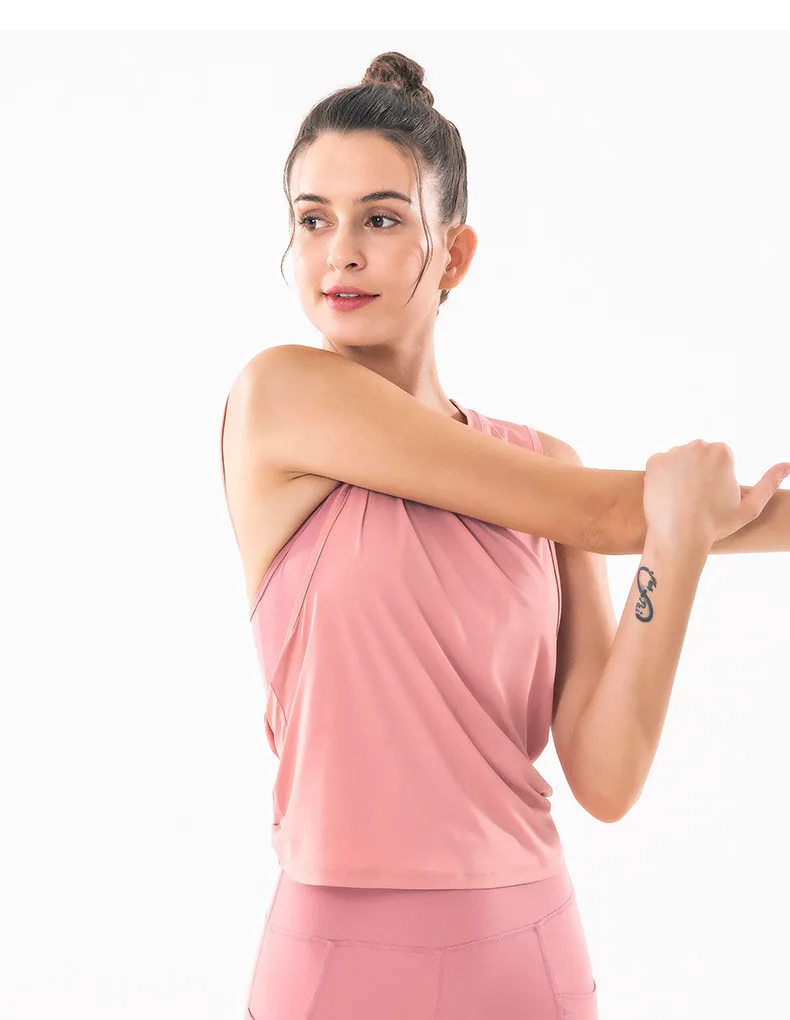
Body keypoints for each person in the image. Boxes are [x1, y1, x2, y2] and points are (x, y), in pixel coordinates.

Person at [219, 51, 789, 1020]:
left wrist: (677, 549)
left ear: (453, 255)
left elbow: (605, 774)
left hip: (525, 952)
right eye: (312, 219)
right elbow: (613, 513)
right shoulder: (280, 398)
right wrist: (677, 514)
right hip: (331, 962)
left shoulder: (548, 467)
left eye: (380, 219)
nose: (338, 253)